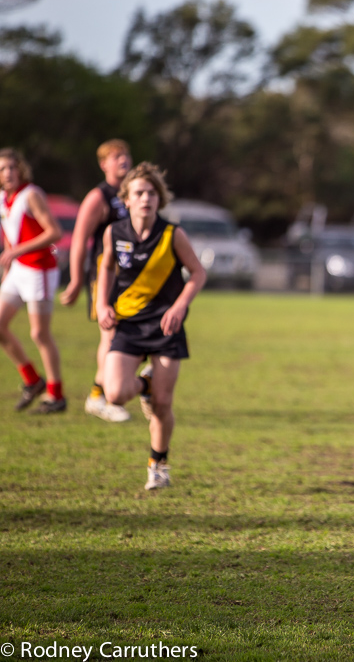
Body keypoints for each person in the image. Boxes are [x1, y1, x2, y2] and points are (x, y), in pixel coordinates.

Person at [95, 162, 205, 490]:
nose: (146, 198)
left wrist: (180, 306)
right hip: (128, 324)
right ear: (126, 199)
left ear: (160, 199)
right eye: (139, 193)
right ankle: (145, 384)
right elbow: (107, 268)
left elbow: (198, 273)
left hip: (166, 327)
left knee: (163, 404)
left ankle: (158, 464)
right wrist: (102, 303)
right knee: (113, 394)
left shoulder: (172, 234)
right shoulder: (114, 232)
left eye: (152, 193)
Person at [60, 139, 133, 422]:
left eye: (126, 155)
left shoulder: (133, 192)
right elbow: (79, 241)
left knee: (127, 337)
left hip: (131, 279)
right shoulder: (98, 197)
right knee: (111, 336)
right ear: (104, 164)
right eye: (116, 156)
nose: (123, 160)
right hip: (105, 275)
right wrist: (77, 280)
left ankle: (111, 391)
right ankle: (100, 397)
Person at [0, 148, 66, 413]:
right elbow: (9, 237)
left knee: (39, 333)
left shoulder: (31, 195)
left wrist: (17, 250)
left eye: (12, 167)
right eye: (3, 169)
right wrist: (8, 266)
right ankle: (32, 380)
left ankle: (56, 395)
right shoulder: (4, 198)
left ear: (21, 169)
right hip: (17, 271)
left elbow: (54, 232)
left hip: (40, 269)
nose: (8, 173)